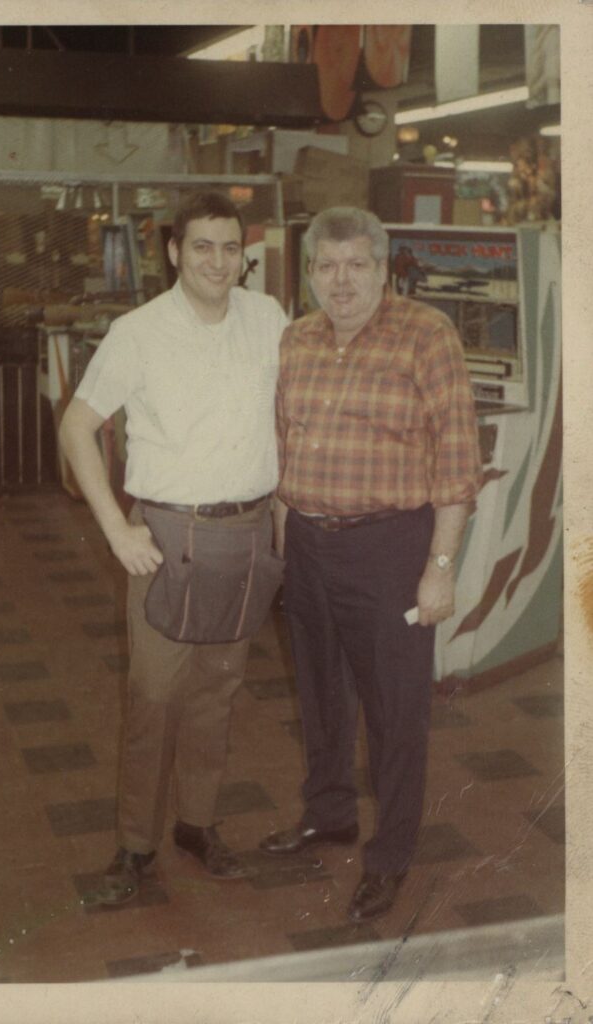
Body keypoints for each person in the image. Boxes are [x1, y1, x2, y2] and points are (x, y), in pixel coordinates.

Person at [59, 190, 287, 905]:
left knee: (217, 694)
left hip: (246, 537)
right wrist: (115, 528)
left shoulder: (270, 317)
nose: (218, 262)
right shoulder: (138, 332)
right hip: (165, 538)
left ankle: (197, 824)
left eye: (229, 248)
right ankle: (134, 846)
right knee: (154, 697)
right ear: (172, 253)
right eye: (202, 247)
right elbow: (76, 426)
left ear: (243, 256)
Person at [260, 207, 482, 923]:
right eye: (328, 266)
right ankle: (329, 815)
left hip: (391, 547)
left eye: (357, 265)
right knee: (321, 695)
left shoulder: (427, 335)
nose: (342, 281)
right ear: (312, 274)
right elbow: (285, 443)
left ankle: (390, 854)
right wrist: (285, 538)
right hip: (310, 546)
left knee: (395, 710)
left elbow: (456, 462)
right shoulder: (296, 340)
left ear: (383, 269)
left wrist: (439, 565)